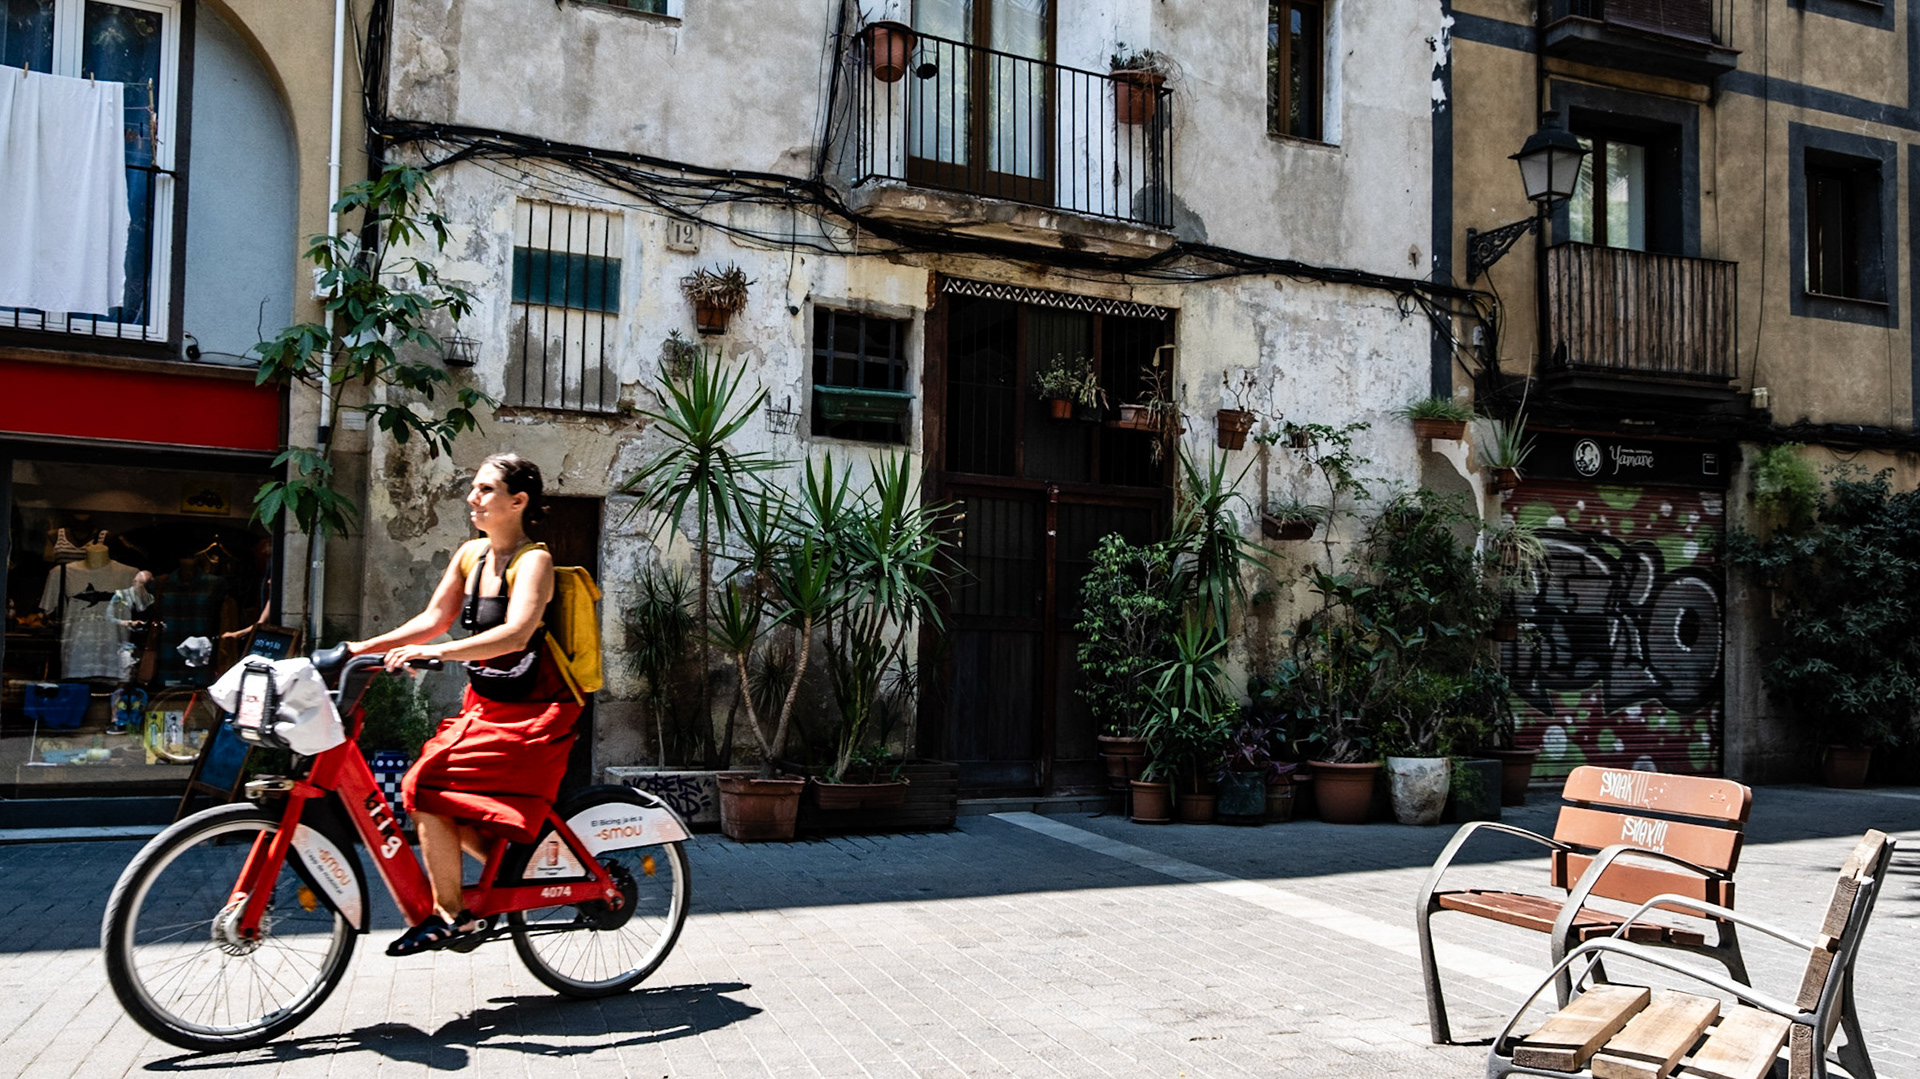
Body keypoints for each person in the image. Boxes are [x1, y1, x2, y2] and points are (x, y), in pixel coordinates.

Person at [344, 452, 581, 955]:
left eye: (486, 490)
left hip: (535, 712)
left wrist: (438, 653)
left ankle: (452, 916)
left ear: (518, 502)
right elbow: (432, 620)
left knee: (424, 783)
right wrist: (359, 649)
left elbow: (516, 636)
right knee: (440, 794)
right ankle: (516, 874)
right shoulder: (468, 556)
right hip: (485, 706)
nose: (473, 498)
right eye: (473, 488)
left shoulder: (533, 561)